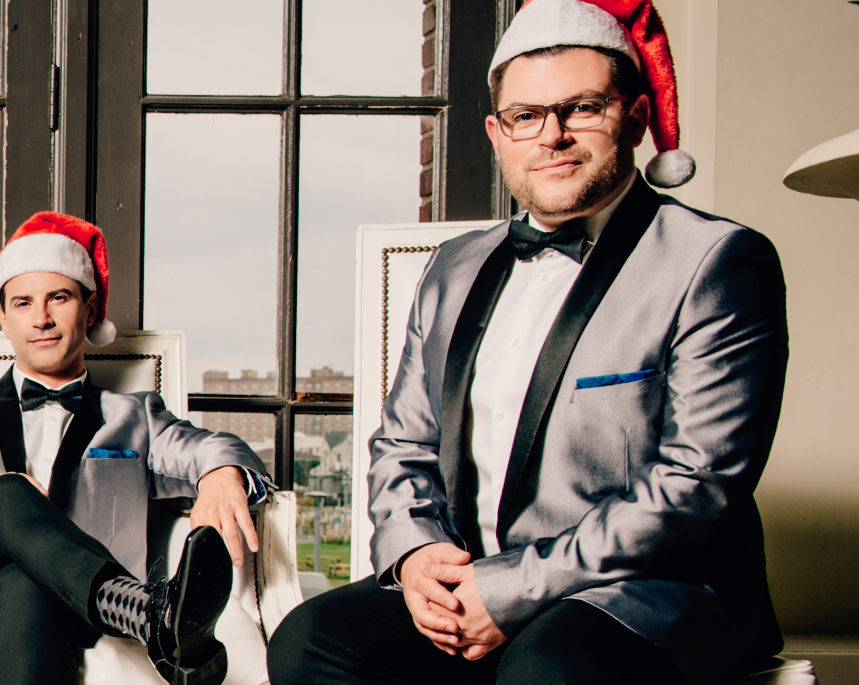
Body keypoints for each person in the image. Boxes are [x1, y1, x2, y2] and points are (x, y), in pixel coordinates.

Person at [268, 1, 786, 683]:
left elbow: (694, 485)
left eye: (582, 109)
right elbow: (404, 445)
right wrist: (416, 554)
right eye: (527, 116)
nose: (553, 136)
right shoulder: (453, 267)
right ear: (497, 131)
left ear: (633, 117)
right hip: (469, 576)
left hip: (647, 589)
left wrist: (511, 589)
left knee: (548, 671)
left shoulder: (716, 260)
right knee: (312, 639)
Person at [0, 211, 267, 685]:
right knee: (7, 493)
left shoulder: (135, 417)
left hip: (72, 613)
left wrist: (221, 474)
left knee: (27, 580)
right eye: (23, 303)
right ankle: (141, 609)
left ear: (90, 311)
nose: (42, 318)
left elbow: (214, 447)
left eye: (59, 298)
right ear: (4, 320)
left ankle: (127, 606)